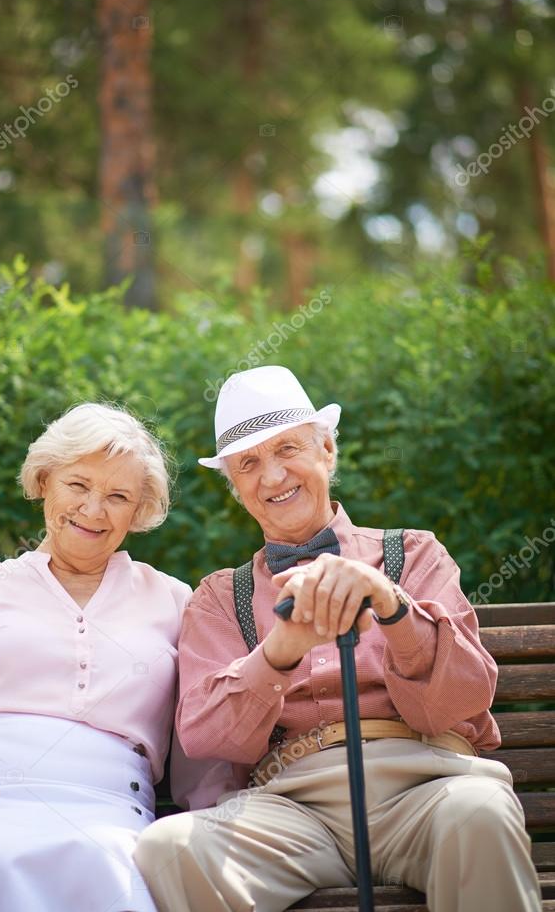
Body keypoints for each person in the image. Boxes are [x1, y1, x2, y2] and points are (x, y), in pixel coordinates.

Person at [134, 365, 543, 912]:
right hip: (291, 807)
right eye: (249, 464)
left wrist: (393, 606)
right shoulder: (218, 597)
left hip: (426, 787)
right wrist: (280, 651)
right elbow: (208, 738)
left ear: (327, 450)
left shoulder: (414, 555)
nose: (273, 476)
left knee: (481, 813)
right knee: (168, 847)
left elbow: (465, 696)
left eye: (287, 449)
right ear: (235, 488)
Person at [0, 402, 222, 912]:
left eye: (118, 496)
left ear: (139, 510)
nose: (94, 509)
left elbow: (202, 752)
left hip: (109, 814)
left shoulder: (173, 600)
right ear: (44, 480)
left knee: (108, 867)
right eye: (78, 485)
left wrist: (215, 826)